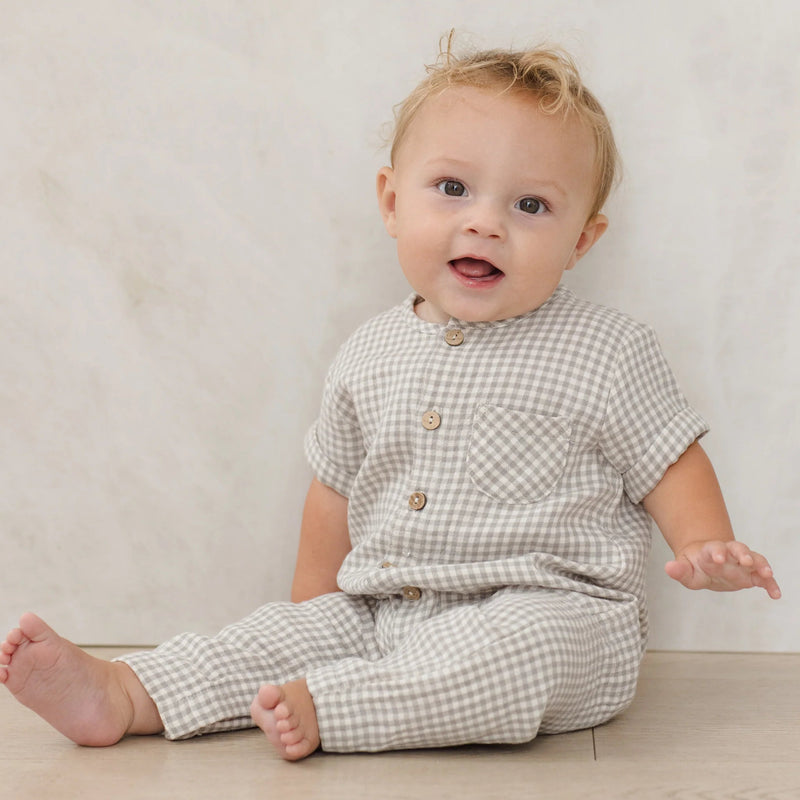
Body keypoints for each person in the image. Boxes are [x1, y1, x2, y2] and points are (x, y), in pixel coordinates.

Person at [1, 39, 781, 762]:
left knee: (511, 656)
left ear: (582, 239)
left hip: (559, 616)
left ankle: (338, 707)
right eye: (452, 188)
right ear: (391, 201)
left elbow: (668, 462)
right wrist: (311, 621)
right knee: (266, 635)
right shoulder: (369, 352)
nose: (485, 222)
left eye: (531, 207)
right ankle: (125, 692)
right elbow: (332, 494)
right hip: (383, 608)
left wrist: (704, 544)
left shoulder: (607, 350)